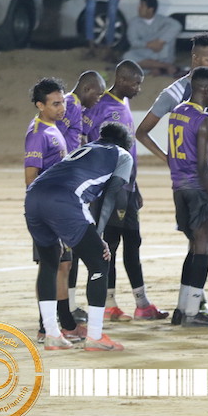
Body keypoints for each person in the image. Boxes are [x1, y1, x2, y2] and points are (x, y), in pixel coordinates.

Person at [136, 34, 208, 317]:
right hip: (199, 172)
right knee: (200, 238)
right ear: (195, 58)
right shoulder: (174, 93)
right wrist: (170, 159)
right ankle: (195, 304)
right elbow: (142, 131)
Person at [25, 121, 135, 351]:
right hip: (64, 201)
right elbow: (111, 196)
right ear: (125, 144)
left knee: (49, 263)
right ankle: (95, 337)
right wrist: (99, 236)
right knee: (99, 262)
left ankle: (52, 335)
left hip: (34, 196)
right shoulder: (122, 155)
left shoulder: (86, 149)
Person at [84, 60, 168, 322]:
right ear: (121, 80)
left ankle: (136, 304)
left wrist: (135, 186)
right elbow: (93, 144)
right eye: (136, 83)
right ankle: (114, 304)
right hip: (112, 188)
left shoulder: (123, 103)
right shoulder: (104, 107)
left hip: (126, 186)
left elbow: (128, 149)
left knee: (130, 242)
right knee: (114, 243)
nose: (138, 89)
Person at [166, 66, 208, 327]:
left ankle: (181, 309)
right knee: (203, 248)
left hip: (179, 188)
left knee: (193, 247)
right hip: (199, 189)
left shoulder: (177, 112)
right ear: (204, 89)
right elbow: (203, 166)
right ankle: (193, 313)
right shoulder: (203, 120)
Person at [24, 78, 79, 343]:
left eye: (62, 102)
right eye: (55, 104)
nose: (62, 108)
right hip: (47, 211)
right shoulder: (38, 133)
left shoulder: (53, 128)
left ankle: (66, 323)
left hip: (60, 208)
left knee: (64, 265)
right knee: (50, 265)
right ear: (40, 105)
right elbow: (30, 177)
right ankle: (45, 328)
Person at [55, 70, 106, 323]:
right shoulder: (71, 106)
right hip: (64, 187)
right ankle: (63, 309)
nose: (99, 98)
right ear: (86, 89)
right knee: (66, 255)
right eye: (98, 93)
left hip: (68, 185)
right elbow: (58, 139)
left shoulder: (74, 107)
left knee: (69, 254)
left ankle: (69, 305)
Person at [122, 0, 183, 76]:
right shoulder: (134, 22)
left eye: (142, 6)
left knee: (170, 31)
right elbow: (133, 42)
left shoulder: (162, 20)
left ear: (150, 9)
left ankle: (152, 68)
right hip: (144, 53)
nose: (138, 8)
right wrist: (149, 45)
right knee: (127, 56)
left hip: (161, 54)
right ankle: (165, 66)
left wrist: (160, 42)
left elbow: (177, 25)